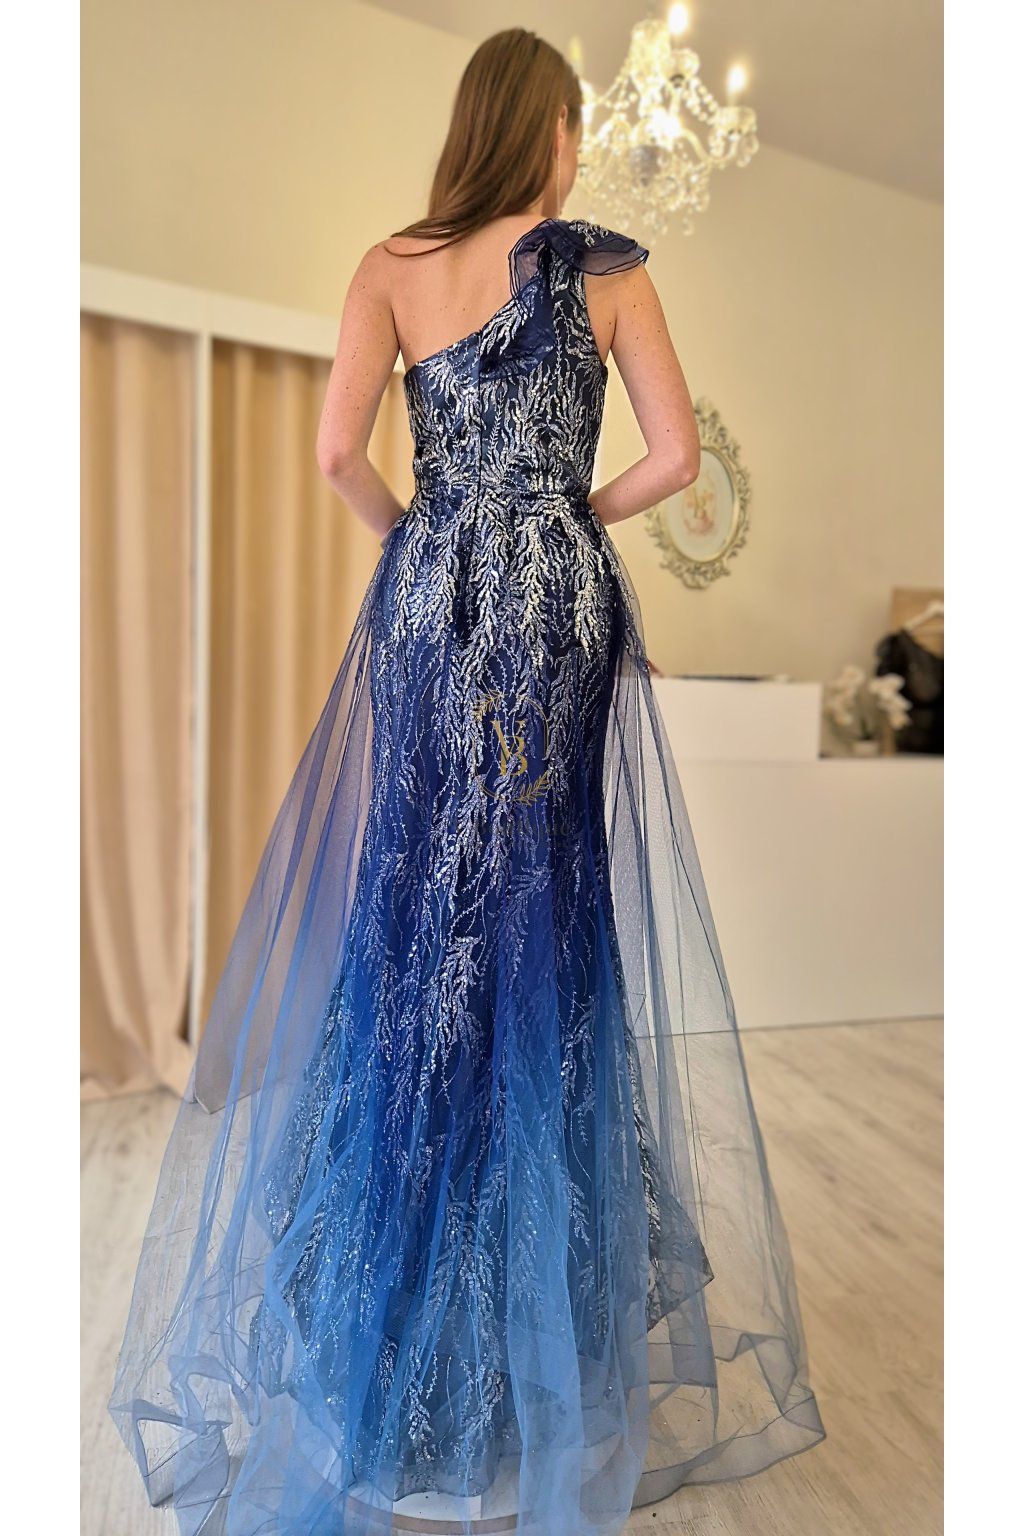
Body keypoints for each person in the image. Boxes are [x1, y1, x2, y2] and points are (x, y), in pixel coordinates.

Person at [108, 27, 825, 1536]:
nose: (579, 150)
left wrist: (426, 544)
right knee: (546, 919)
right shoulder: (604, 265)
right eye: (573, 125)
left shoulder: (392, 264)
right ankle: (531, 1344)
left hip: (435, 599)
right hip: (556, 599)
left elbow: (335, 455)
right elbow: (678, 459)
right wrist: (565, 514)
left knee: (419, 920)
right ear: (548, 128)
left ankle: (398, 1328)